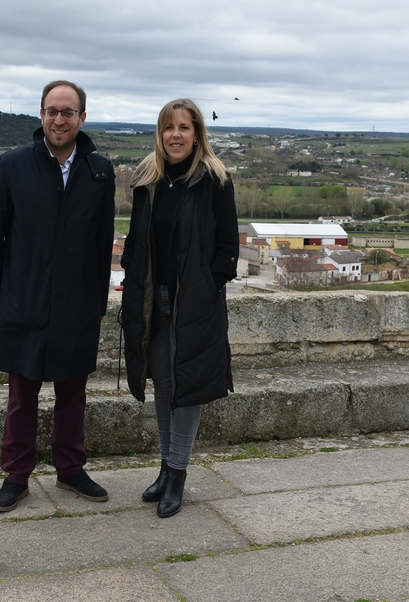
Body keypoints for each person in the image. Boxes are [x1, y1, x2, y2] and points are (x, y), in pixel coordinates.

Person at [0, 80, 116, 512]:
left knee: (73, 396)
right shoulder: (11, 166)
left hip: (77, 303)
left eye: (68, 112)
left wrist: (97, 302)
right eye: (52, 111)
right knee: (22, 397)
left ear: (82, 117)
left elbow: (102, 241)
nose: (60, 119)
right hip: (25, 299)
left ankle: (70, 470)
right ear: (41, 115)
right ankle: (16, 476)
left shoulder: (99, 170)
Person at [120, 98, 239, 518]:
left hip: (194, 302)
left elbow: (229, 250)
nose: (176, 135)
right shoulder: (147, 180)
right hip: (155, 300)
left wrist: (208, 286)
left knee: (186, 388)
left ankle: (177, 473)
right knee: (165, 387)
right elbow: (135, 241)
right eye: (169, 127)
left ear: (197, 134)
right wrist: (130, 270)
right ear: (160, 133)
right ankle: (166, 468)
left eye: (184, 127)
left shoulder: (215, 181)